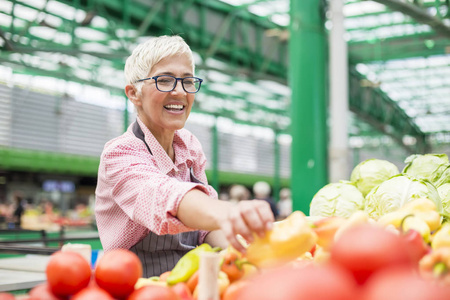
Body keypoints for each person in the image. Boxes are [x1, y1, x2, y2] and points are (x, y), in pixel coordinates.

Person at [95, 35, 274, 277]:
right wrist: (229, 212)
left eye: (188, 81)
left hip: (190, 283)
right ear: (134, 94)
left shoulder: (189, 146)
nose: (180, 92)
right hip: (137, 286)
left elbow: (203, 230)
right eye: (165, 80)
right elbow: (160, 195)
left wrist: (246, 251)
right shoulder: (119, 153)